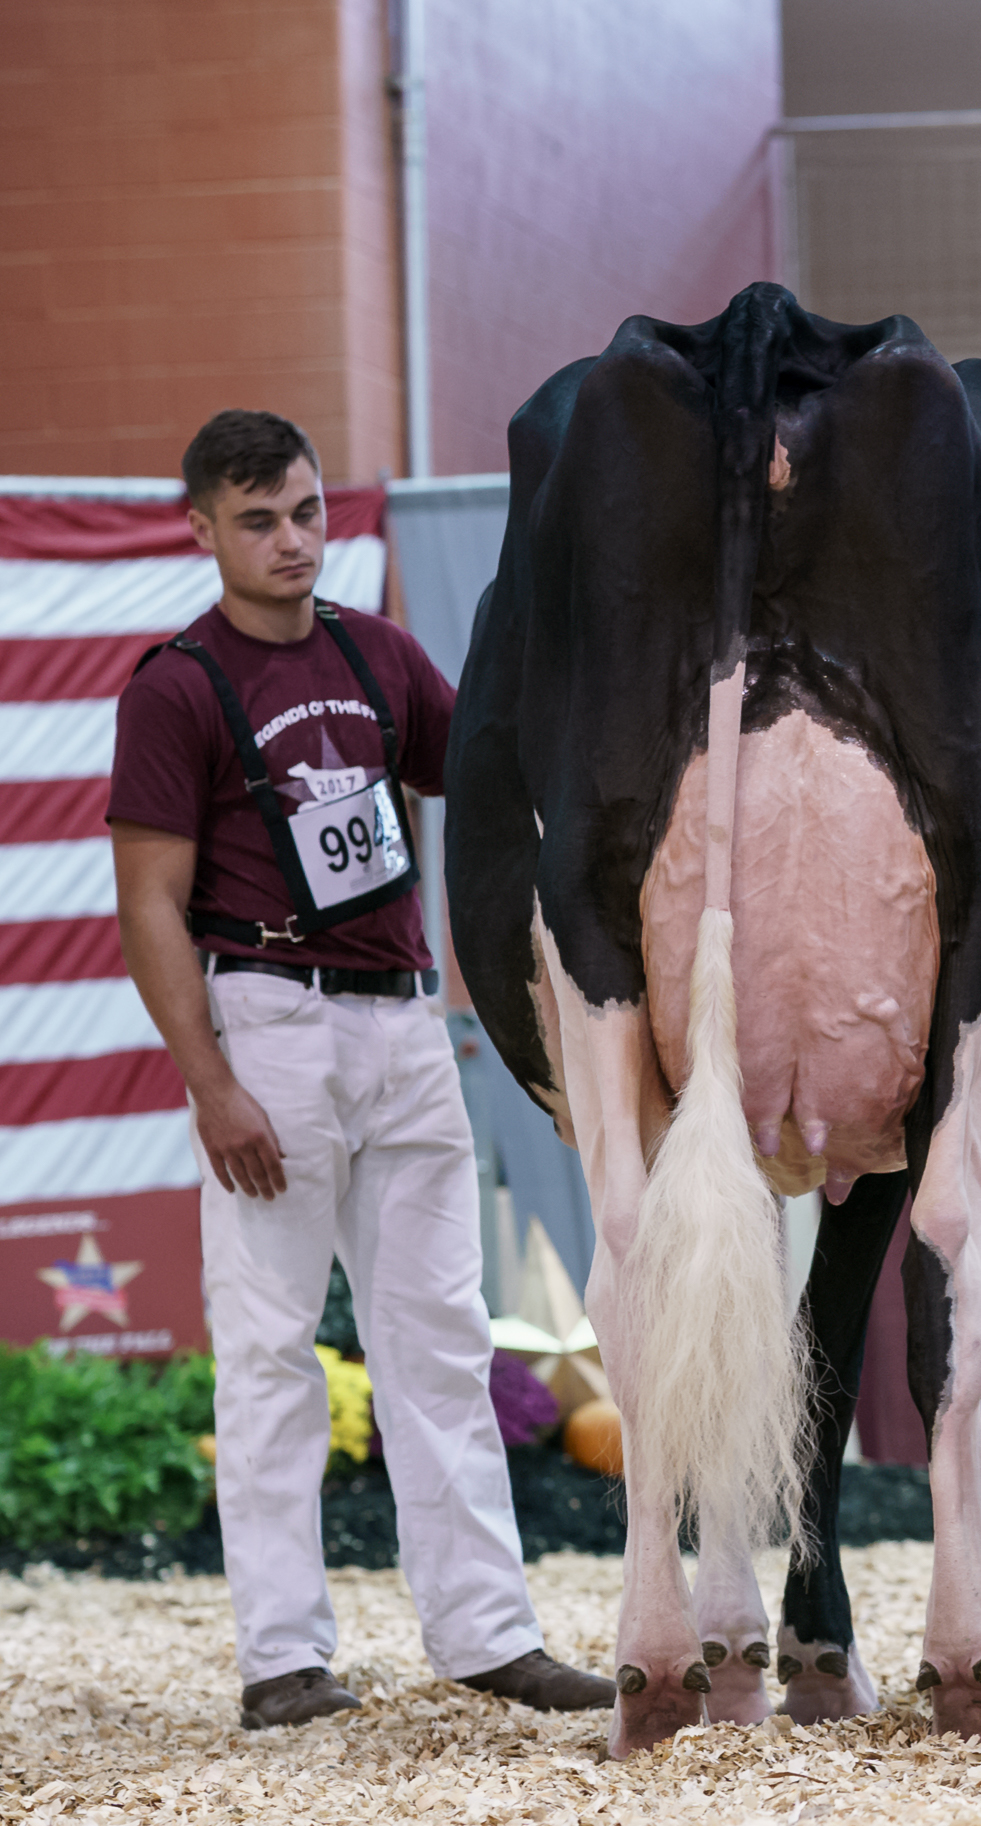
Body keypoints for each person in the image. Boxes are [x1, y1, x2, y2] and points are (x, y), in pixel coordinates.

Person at [107, 410, 611, 1730]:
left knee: (441, 1336)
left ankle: (489, 1637)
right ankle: (283, 1660)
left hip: (404, 1021)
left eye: (306, 511)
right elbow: (148, 901)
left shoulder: (379, 652)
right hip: (268, 1019)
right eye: (258, 520)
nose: (291, 540)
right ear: (202, 528)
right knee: (269, 1348)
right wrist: (211, 1082)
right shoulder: (176, 685)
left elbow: (489, 784)